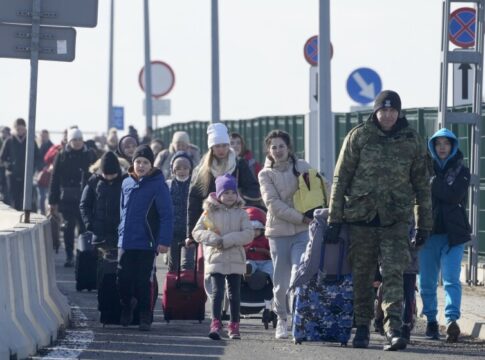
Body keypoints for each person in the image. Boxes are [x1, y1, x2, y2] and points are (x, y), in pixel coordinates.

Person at [326, 90, 432, 351]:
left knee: (394, 274)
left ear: (399, 112)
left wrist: (423, 224)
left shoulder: (412, 140)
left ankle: (394, 329)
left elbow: (422, 185)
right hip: (361, 218)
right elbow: (341, 180)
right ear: (375, 112)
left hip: (395, 220)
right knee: (362, 276)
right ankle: (361, 327)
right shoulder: (359, 136)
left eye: (393, 111)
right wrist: (334, 219)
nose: (388, 115)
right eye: (383, 111)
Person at [258, 129, 313, 339]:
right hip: (278, 233)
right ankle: (281, 318)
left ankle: (299, 319)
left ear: (288, 148)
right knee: (280, 282)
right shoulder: (265, 174)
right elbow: (273, 205)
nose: (278, 150)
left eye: (282, 146)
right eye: (274, 147)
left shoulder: (302, 166)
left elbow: (320, 187)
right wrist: (301, 217)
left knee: (299, 273)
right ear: (269, 151)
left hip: (302, 232)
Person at [418, 128, 471, 343]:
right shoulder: (422, 169)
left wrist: (431, 183)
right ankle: (431, 320)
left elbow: (453, 196)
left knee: (451, 280)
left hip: (453, 235)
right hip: (427, 234)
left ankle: (451, 320)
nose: (442, 147)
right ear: (432, 146)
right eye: (438, 143)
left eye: (446, 143)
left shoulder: (462, 170)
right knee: (427, 282)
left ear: (452, 146)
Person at [117, 145, 173, 331]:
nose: (141, 166)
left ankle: (144, 315)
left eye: (145, 162)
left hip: (147, 241)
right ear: (133, 163)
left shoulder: (158, 185)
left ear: (151, 165)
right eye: (138, 162)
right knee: (122, 278)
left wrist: (164, 241)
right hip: (126, 240)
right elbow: (122, 211)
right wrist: (120, 232)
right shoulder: (126, 183)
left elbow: (166, 215)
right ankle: (126, 305)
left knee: (143, 280)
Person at [192, 174, 253, 340]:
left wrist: (228, 240)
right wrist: (213, 239)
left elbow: (249, 234)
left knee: (235, 294)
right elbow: (197, 232)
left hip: (235, 257)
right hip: (216, 257)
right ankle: (216, 323)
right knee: (217, 292)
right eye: (226, 193)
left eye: (232, 192)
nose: (230, 196)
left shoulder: (241, 213)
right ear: (218, 194)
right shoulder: (209, 213)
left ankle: (234, 325)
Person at [187, 123, 261, 245]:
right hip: (211, 224)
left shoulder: (239, 164)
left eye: (224, 145)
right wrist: (190, 234)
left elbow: (253, 189)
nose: (221, 149)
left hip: (235, 222)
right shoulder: (203, 169)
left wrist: (236, 196)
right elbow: (194, 200)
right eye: (217, 146)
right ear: (211, 148)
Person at [48, 128, 97, 267]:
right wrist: (53, 201)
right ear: (69, 140)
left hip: (86, 198)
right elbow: (55, 178)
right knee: (68, 228)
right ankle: (70, 255)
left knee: (84, 228)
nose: (77, 142)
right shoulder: (62, 155)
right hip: (67, 199)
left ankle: (82, 255)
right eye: (74, 140)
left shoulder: (90, 154)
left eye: (79, 139)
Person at [79, 151, 123, 249]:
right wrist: (89, 223)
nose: (109, 177)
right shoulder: (93, 181)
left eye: (112, 174)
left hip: (119, 234)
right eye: (106, 174)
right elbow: (84, 205)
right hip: (98, 234)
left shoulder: (125, 182)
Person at [0, 118, 40, 210]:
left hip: (27, 175)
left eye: (22, 129)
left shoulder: (31, 141)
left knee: (26, 198)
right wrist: (9, 166)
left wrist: (33, 169)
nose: (20, 131)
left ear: (25, 128)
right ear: (14, 129)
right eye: (18, 129)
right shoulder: (9, 141)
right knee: (14, 198)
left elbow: (37, 157)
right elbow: (2, 158)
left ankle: (24, 214)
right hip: (12, 175)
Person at [166, 151, 194, 272]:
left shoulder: (194, 185)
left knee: (188, 264)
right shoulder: (168, 185)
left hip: (191, 231)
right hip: (173, 231)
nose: (182, 171)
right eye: (178, 168)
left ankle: (188, 289)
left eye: (185, 168)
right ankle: (172, 288)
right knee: (173, 264)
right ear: (173, 170)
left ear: (190, 169)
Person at [244, 206, 273, 281]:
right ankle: (247, 272)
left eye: (256, 230)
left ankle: (273, 281)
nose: (254, 233)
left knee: (271, 267)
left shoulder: (266, 239)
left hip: (265, 261)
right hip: (251, 260)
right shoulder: (245, 240)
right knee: (248, 264)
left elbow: (271, 252)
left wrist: (263, 251)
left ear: (262, 230)